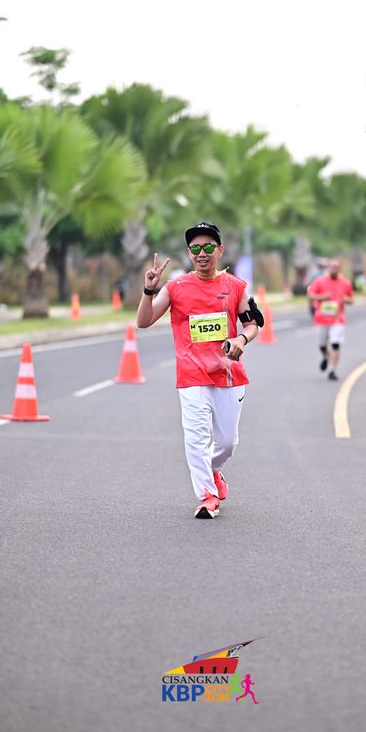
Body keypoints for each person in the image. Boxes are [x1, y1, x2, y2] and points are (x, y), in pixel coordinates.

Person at [136, 222, 261, 519]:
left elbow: (254, 323)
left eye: (207, 247)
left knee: (227, 442)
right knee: (196, 439)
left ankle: (214, 470)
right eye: (195, 248)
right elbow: (143, 321)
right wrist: (149, 290)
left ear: (219, 250)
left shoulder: (235, 286)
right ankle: (207, 497)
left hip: (228, 375)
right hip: (191, 376)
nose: (201, 253)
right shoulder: (175, 287)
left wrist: (241, 339)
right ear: (189, 253)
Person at [307, 258, 353, 380]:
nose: (334, 269)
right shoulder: (319, 281)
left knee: (335, 343)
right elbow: (310, 295)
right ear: (328, 268)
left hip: (337, 319)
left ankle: (332, 370)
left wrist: (345, 299)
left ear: (339, 269)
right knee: (322, 345)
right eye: (332, 267)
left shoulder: (345, 283)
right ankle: (326, 356)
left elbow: (351, 299)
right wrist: (322, 297)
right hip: (321, 319)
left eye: (336, 267)